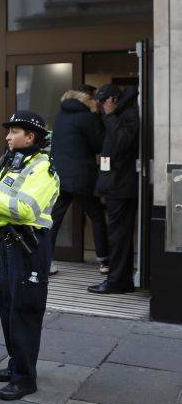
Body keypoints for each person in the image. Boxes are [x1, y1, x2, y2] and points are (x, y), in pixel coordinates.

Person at [0, 111, 60, 401]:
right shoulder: (14, 162)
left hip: (30, 245)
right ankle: (16, 362)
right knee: (8, 305)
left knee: (25, 310)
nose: (7, 137)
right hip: (10, 243)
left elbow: (25, 209)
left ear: (30, 137)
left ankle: (25, 378)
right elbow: (1, 197)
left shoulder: (43, 168)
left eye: (13, 132)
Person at [49, 89, 108, 275]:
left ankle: (45, 261)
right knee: (97, 216)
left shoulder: (60, 116)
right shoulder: (87, 117)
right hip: (82, 176)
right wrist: (98, 118)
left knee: (53, 219)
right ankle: (105, 261)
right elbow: (99, 144)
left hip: (60, 176)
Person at [88, 84, 139, 294]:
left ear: (113, 100)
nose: (101, 106)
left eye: (103, 102)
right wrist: (101, 116)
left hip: (121, 185)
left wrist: (109, 116)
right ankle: (122, 281)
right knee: (119, 236)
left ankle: (116, 282)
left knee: (118, 237)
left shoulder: (128, 115)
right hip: (115, 183)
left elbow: (121, 142)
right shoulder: (117, 115)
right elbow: (105, 141)